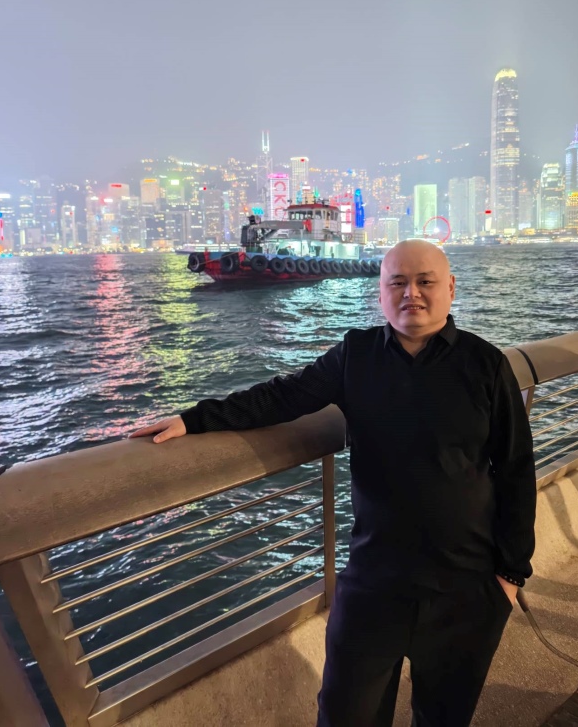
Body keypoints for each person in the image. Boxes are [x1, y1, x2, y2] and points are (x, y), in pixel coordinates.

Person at [130, 240, 536, 727]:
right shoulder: (356, 355)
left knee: (444, 717)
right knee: (344, 713)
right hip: (374, 580)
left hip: (466, 585)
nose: (411, 293)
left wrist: (510, 575)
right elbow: (283, 396)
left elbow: (515, 468)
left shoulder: (486, 364)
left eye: (425, 282)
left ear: (450, 288)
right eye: (397, 283)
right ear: (381, 293)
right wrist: (194, 419)